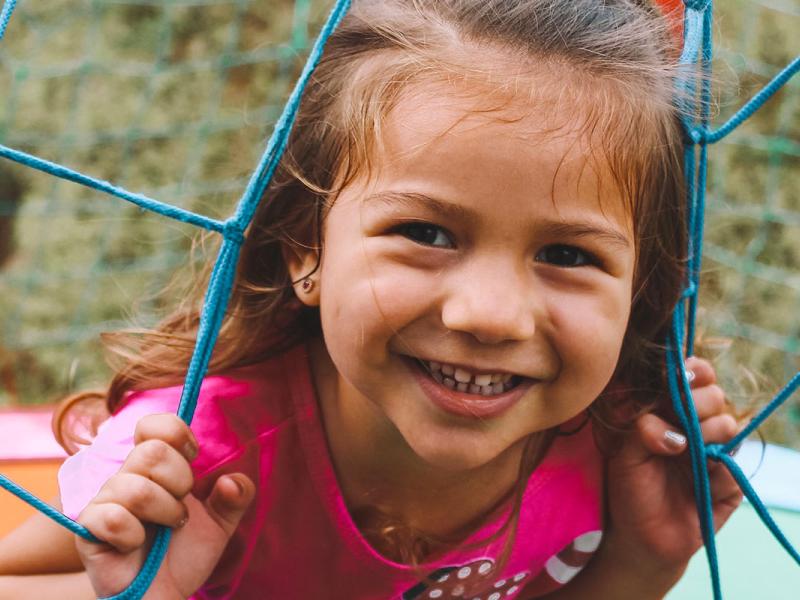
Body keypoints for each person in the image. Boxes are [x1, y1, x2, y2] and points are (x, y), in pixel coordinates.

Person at [23, 0, 744, 598]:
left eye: (566, 255)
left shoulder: (614, 450)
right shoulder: (190, 458)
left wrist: (643, 561)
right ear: (307, 246)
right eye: (426, 232)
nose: (487, 314)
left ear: (640, 286)